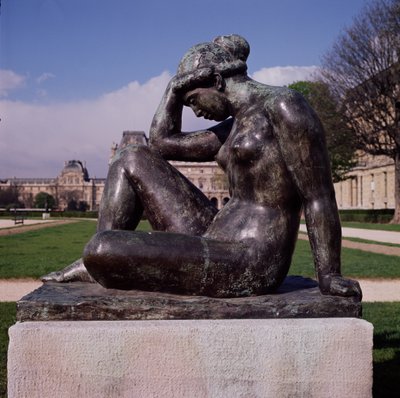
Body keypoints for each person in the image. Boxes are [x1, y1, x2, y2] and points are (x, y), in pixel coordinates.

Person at [43, 35, 361, 299]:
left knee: (102, 247)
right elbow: (161, 143)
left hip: (250, 258)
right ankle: (93, 266)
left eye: (193, 100)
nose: (195, 111)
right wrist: (174, 89)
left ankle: (96, 260)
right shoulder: (231, 128)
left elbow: (318, 197)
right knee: (131, 157)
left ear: (216, 82)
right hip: (213, 236)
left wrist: (329, 274)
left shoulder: (285, 107)